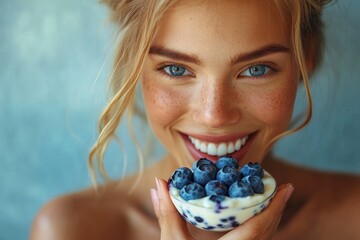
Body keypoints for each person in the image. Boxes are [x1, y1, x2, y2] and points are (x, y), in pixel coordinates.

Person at [30, 0, 360, 239]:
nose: (214, 116)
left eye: (256, 70)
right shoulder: (71, 230)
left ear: (307, 59)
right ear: (134, 66)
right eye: (176, 69)